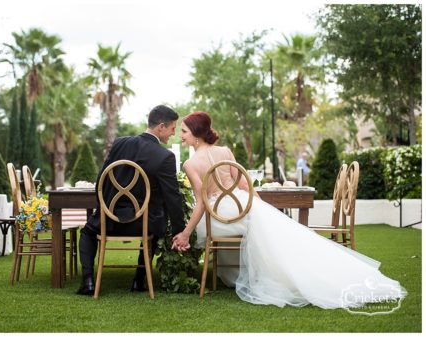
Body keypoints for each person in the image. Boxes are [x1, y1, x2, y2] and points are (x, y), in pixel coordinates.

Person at [172, 111, 406, 309]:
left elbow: (201, 202)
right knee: (263, 225)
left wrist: (185, 232)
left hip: (219, 213)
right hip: (242, 203)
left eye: (183, 131)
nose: (181, 136)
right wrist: (258, 207)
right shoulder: (225, 152)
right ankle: (244, 271)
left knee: (206, 229)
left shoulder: (190, 163)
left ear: (196, 133)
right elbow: (244, 184)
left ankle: (241, 274)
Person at [76, 105, 186, 295]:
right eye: (172, 128)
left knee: (87, 231)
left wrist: (104, 210)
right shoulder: (165, 156)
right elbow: (172, 197)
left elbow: (101, 180)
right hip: (142, 224)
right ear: (161, 127)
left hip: (108, 221)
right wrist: (179, 230)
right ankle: (139, 280)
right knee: (155, 220)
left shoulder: (120, 143)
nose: (173, 134)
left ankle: (88, 282)